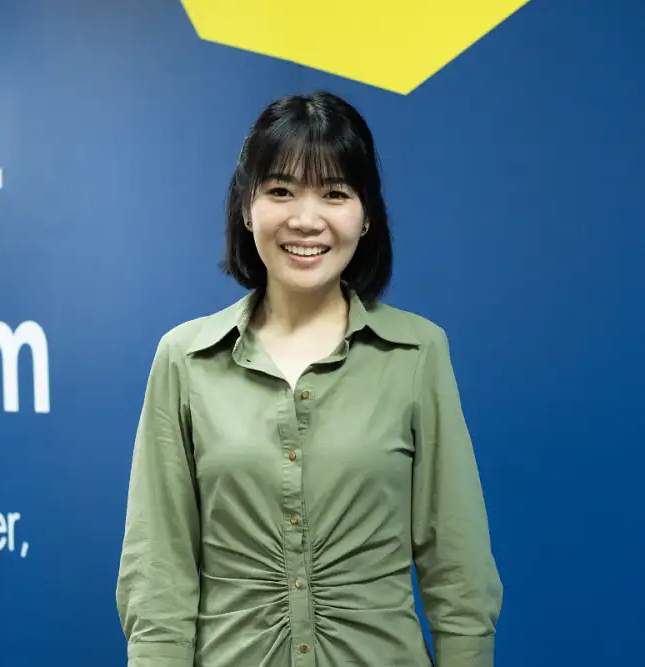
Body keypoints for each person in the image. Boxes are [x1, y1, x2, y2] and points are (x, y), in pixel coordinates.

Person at [115, 91, 503, 667]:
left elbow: (457, 565)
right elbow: (158, 573)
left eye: (335, 193)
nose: (305, 219)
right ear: (247, 208)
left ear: (366, 216)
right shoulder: (185, 358)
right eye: (280, 190)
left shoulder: (418, 352)